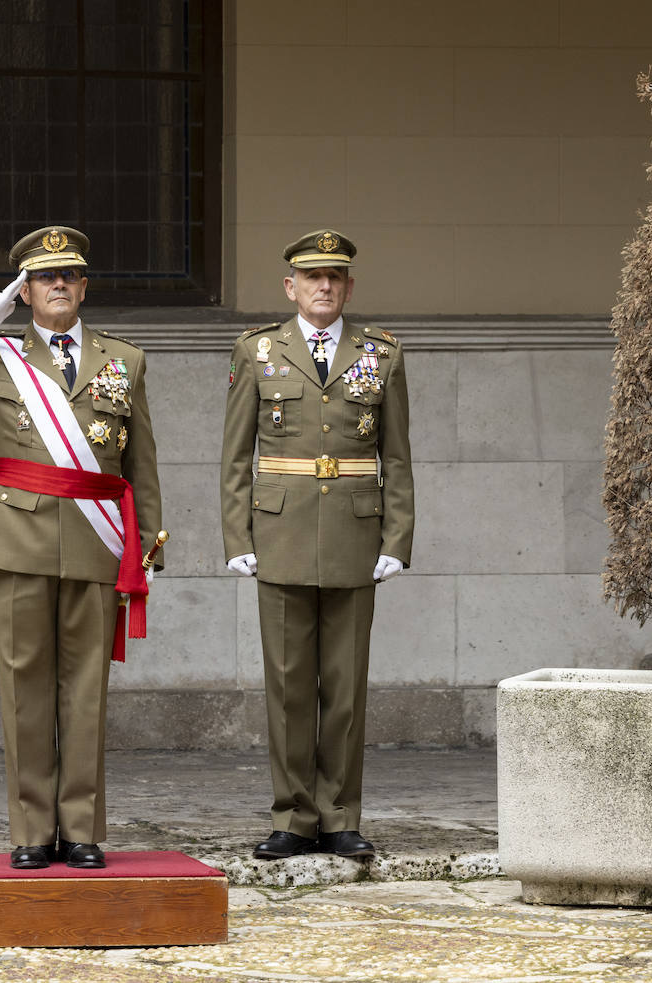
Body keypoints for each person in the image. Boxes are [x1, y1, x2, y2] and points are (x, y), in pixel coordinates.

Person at [0, 226, 163, 870]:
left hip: (96, 539)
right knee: (24, 688)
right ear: (25, 290)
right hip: (18, 538)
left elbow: (141, 463)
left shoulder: (123, 360)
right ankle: (31, 829)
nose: (59, 285)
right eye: (45, 277)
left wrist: (146, 551)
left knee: (86, 690)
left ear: (84, 286)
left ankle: (79, 828)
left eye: (70, 276)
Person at [220, 230, 414, 860]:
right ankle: (292, 816)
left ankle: (340, 815)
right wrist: (236, 535)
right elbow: (234, 455)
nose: (324, 286)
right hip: (280, 531)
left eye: (335, 277)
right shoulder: (258, 351)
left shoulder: (382, 353)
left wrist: (397, 537)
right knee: (287, 683)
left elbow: (399, 455)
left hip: (356, 532)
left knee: (346, 684)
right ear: (291, 287)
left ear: (349, 286)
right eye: (313, 277)